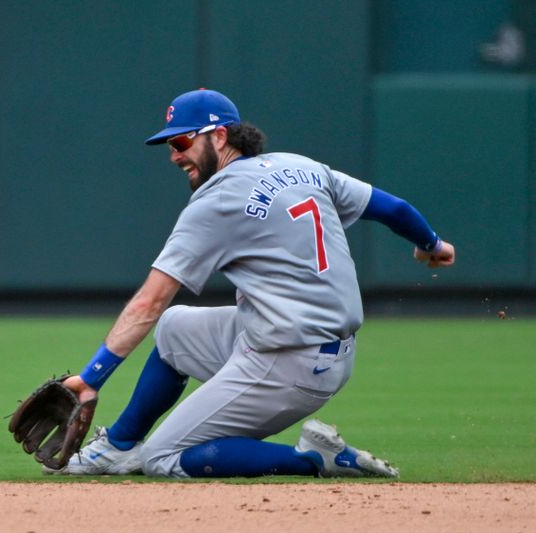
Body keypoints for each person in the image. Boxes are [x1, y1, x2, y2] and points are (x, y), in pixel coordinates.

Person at [49, 89, 455, 479]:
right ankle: (120, 446)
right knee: (174, 329)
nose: (175, 156)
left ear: (220, 136)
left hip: (294, 362)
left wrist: (92, 378)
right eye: (170, 146)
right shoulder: (301, 167)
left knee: (163, 457)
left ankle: (313, 459)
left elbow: (147, 304)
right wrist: (432, 244)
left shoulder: (216, 201)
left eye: (183, 141)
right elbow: (394, 208)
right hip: (302, 341)